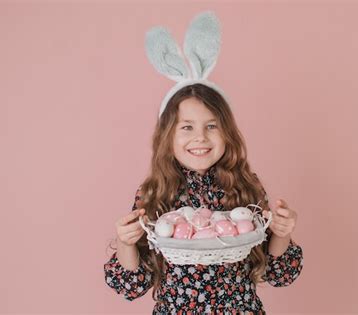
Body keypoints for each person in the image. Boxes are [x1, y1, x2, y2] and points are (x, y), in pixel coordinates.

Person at [104, 11, 303, 314]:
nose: (200, 138)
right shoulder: (155, 193)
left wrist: (282, 232)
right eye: (186, 127)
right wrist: (125, 242)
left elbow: (278, 274)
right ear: (168, 137)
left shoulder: (244, 186)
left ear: (227, 133)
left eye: (211, 126)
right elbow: (131, 285)